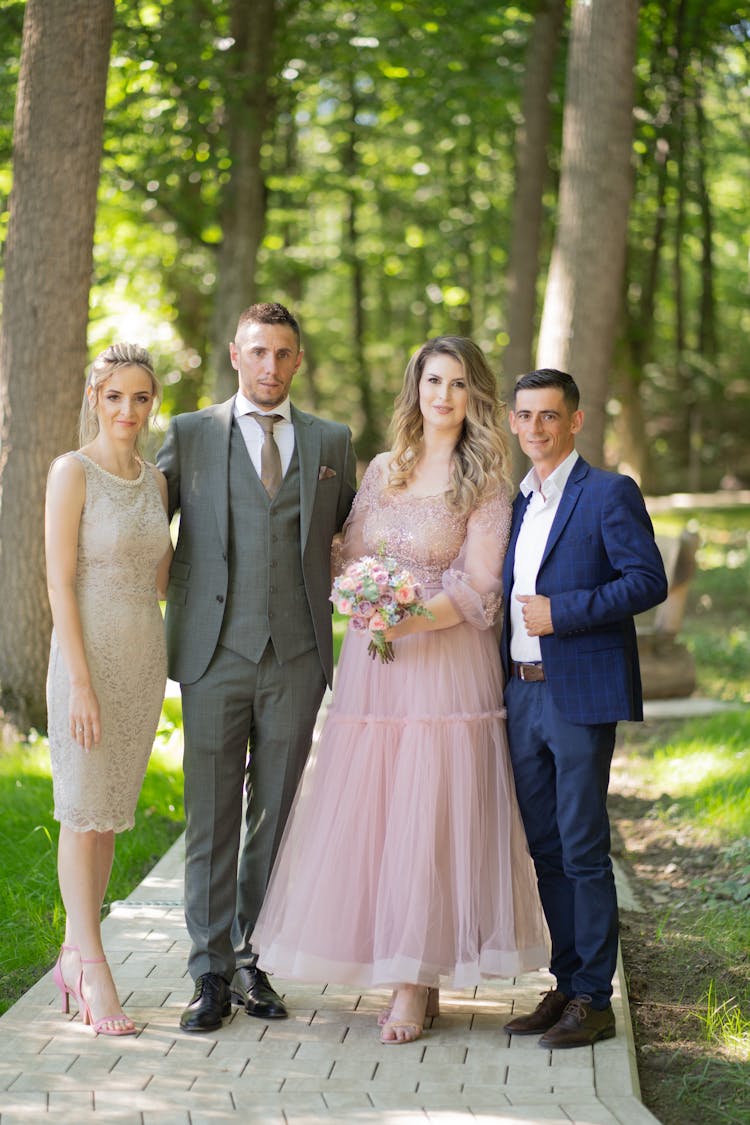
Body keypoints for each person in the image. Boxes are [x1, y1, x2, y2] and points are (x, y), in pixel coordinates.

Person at [252, 336, 548, 1045]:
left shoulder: (485, 482)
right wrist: (358, 592)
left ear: (475, 396)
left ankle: (413, 982)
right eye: (432, 381)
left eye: (457, 384)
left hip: (444, 661)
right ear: (416, 388)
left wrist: (406, 617)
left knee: (433, 809)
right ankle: (406, 961)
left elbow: (481, 586)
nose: (442, 396)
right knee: (386, 810)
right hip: (375, 668)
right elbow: (349, 550)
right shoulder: (384, 468)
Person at [156, 302, 357, 1033]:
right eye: (258, 352)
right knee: (210, 815)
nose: (270, 366)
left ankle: (254, 956)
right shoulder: (190, 434)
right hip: (213, 653)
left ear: (298, 360)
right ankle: (207, 968)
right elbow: (147, 525)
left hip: (297, 655)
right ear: (235, 355)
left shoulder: (332, 441)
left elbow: (355, 540)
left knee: (275, 812)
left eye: (283, 353)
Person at [500, 368, 668, 1049]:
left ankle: (596, 998)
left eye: (550, 415)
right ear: (514, 423)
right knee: (544, 847)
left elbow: (646, 580)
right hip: (519, 690)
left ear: (575, 420)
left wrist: (560, 613)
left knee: (581, 844)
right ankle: (567, 983)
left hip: (576, 693)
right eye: (526, 416)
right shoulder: (515, 503)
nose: (537, 428)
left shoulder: (607, 494)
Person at [46, 343, 172, 1037]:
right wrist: (82, 685)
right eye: (116, 396)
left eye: (142, 397)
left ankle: (75, 949)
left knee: (108, 817)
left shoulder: (154, 482)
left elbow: (164, 576)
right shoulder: (74, 472)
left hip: (142, 660)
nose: (129, 409)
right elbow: (59, 579)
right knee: (80, 810)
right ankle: (91, 964)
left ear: (153, 403)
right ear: (96, 397)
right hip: (85, 661)